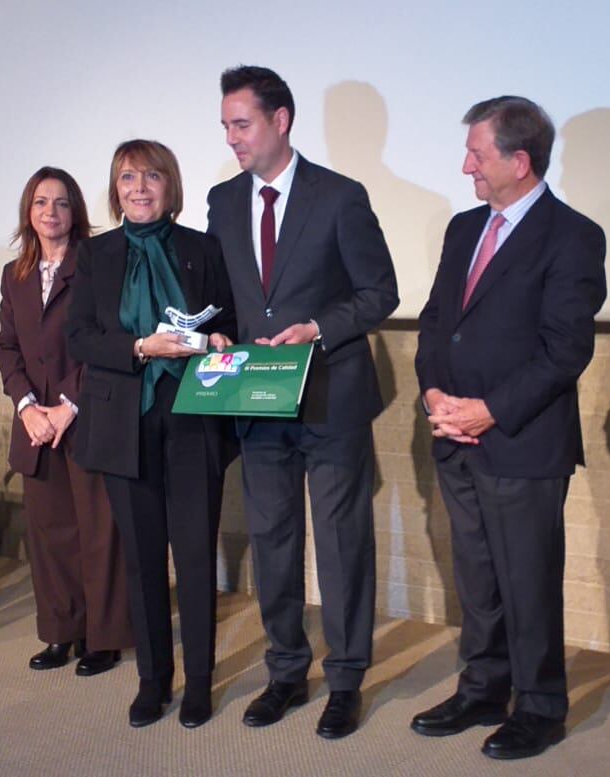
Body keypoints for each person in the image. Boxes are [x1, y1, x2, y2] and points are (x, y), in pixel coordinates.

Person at [205, 64, 398, 740]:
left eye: (241, 123)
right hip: (256, 395)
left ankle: (345, 679)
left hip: (332, 393)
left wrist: (318, 328)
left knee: (342, 543)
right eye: (225, 123)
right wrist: (218, 329)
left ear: (280, 120)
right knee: (274, 539)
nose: (230, 136)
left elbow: (380, 293)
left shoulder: (342, 197)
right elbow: (228, 294)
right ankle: (287, 670)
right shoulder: (221, 201)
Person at [411, 96, 606, 760]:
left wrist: (487, 409)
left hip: (521, 440)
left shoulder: (573, 235)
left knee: (527, 578)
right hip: (454, 436)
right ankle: (484, 688)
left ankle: (541, 705)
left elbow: (564, 351)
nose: (466, 164)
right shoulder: (465, 228)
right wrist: (435, 391)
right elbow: (437, 323)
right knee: (478, 577)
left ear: (519, 161)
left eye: (478, 153)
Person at [66, 140, 238, 729]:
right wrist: (140, 346)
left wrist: (218, 342)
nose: (139, 187)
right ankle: (153, 681)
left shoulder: (202, 248)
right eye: (128, 177)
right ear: (115, 189)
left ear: (171, 185)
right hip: (122, 421)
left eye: (152, 176)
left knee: (194, 558)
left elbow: (229, 323)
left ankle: (198, 683)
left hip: (193, 418)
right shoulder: (94, 255)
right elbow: (80, 339)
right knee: (141, 561)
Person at [0, 167, 131, 675]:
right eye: (40, 203)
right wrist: (27, 407)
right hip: (37, 426)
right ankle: (60, 632)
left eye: (60, 203)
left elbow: (103, 344)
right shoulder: (16, 274)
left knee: (100, 532)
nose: (49, 212)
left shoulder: (97, 265)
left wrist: (67, 406)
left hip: (88, 415)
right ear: (28, 213)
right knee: (50, 535)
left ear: (76, 213)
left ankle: (103, 636)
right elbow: (7, 346)